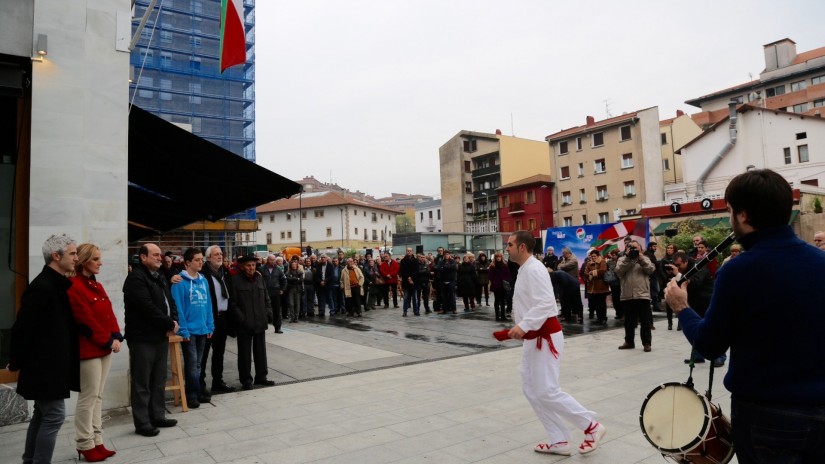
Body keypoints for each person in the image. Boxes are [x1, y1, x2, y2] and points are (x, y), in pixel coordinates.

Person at [665, 168, 825, 463]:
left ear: (743, 215)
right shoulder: (821, 260)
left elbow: (710, 346)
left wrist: (681, 307)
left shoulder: (739, 271)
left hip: (768, 419)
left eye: (729, 211)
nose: (729, 219)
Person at [505, 231, 605, 456]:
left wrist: (524, 325)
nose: (507, 248)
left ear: (522, 247)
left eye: (510, 244)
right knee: (531, 389)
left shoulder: (534, 268)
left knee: (547, 390)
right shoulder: (525, 269)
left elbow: (546, 302)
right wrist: (521, 325)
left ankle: (591, 426)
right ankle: (558, 440)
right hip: (534, 337)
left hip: (545, 337)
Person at [9, 234, 81, 463]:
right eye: (72, 253)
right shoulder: (42, 286)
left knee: (42, 415)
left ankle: (30, 460)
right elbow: (23, 327)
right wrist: (16, 359)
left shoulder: (56, 284)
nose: (76, 258)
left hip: (51, 364)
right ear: (56, 256)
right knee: (55, 416)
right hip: (44, 366)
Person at [67, 243, 122, 461]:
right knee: (88, 398)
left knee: (97, 396)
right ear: (83, 261)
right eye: (96, 259)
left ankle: (97, 440)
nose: (100, 262)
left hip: (104, 347)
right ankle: (84, 442)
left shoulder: (95, 284)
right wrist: (109, 341)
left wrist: (116, 336)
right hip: (88, 349)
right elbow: (84, 319)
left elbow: (108, 313)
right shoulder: (73, 285)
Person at [123, 243, 179, 437]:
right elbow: (146, 307)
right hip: (143, 338)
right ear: (143, 258)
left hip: (160, 336)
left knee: (158, 379)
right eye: (155, 255)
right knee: (142, 382)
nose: (159, 257)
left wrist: (174, 320)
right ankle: (143, 422)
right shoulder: (136, 279)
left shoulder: (160, 276)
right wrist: (168, 323)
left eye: (160, 254)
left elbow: (168, 301)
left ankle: (158, 416)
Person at [170, 247, 214, 409]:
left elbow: (208, 304)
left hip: (203, 328)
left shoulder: (203, 280)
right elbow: (178, 308)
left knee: (198, 364)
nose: (201, 262)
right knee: (191, 363)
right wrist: (183, 330)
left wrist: (210, 325)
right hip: (189, 330)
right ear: (188, 262)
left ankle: (197, 391)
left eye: (202, 259)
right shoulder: (179, 282)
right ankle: (191, 395)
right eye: (197, 260)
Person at [230, 255, 275, 390]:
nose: (251, 268)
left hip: (260, 321)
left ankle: (261, 377)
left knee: (261, 351)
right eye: (249, 265)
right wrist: (241, 318)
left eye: (253, 265)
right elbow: (232, 303)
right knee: (244, 353)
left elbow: (266, 297)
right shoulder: (235, 280)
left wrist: (268, 312)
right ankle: (246, 380)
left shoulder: (259, 278)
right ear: (243, 266)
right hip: (245, 323)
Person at [199, 245, 235, 394]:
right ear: (208, 258)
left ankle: (218, 382)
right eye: (216, 255)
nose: (220, 256)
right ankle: (200, 384)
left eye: (221, 254)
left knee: (219, 352)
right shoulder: (202, 274)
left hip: (223, 318)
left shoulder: (225, 272)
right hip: (209, 318)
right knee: (203, 353)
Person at [615, 240, 655, 352]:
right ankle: (629, 342)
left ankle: (647, 343)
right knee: (629, 321)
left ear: (640, 249)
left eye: (635, 247)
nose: (633, 250)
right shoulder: (622, 259)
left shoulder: (645, 259)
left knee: (645, 321)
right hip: (627, 295)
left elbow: (651, 270)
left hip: (642, 294)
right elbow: (618, 272)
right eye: (631, 247)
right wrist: (628, 258)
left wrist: (641, 259)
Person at [260, 254, 285, 333]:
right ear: (268, 260)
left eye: (274, 260)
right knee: (263, 310)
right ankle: (262, 327)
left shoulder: (278, 269)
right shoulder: (261, 269)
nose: (273, 261)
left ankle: (277, 327)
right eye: (271, 260)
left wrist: (282, 289)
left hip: (275, 292)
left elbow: (283, 280)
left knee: (277, 310)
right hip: (265, 292)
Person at [584, 249, 610, 324]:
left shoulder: (602, 261)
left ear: (598, 256)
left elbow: (602, 271)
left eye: (594, 256)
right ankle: (599, 318)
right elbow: (586, 273)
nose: (593, 257)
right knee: (596, 304)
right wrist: (593, 273)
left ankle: (604, 318)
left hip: (602, 287)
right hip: (592, 288)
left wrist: (592, 273)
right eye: (592, 256)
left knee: (602, 304)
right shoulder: (589, 263)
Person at [488, 252, 511, 321]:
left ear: (501, 257)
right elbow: (490, 276)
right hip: (496, 285)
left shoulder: (504, 265)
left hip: (503, 285)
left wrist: (506, 280)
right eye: (497, 257)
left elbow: (508, 274)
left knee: (503, 301)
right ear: (495, 258)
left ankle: (503, 316)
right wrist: (494, 281)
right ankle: (497, 316)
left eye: (499, 257)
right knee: (497, 301)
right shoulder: (492, 265)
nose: (498, 258)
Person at [399, 248, 418, 316]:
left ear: (412, 252)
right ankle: (405, 311)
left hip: (414, 282)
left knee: (415, 298)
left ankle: (416, 311)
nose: (409, 252)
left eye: (410, 251)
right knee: (406, 298)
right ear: (406, 252)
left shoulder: (415, 260)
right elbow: (402, 271)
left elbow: (416, 271)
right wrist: (408, 278)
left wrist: (411, 278)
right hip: (406, 281)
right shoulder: (403, 261)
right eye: (408, 251)